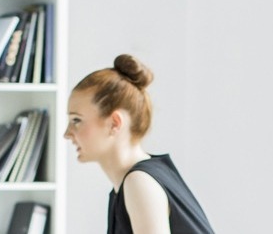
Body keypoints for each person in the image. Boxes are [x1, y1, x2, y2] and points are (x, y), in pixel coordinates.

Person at [62, 54, 216, 234]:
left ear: (114, 123)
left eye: (77, 120)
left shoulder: (139, 183)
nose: (67, 134)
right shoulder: (137, 181)